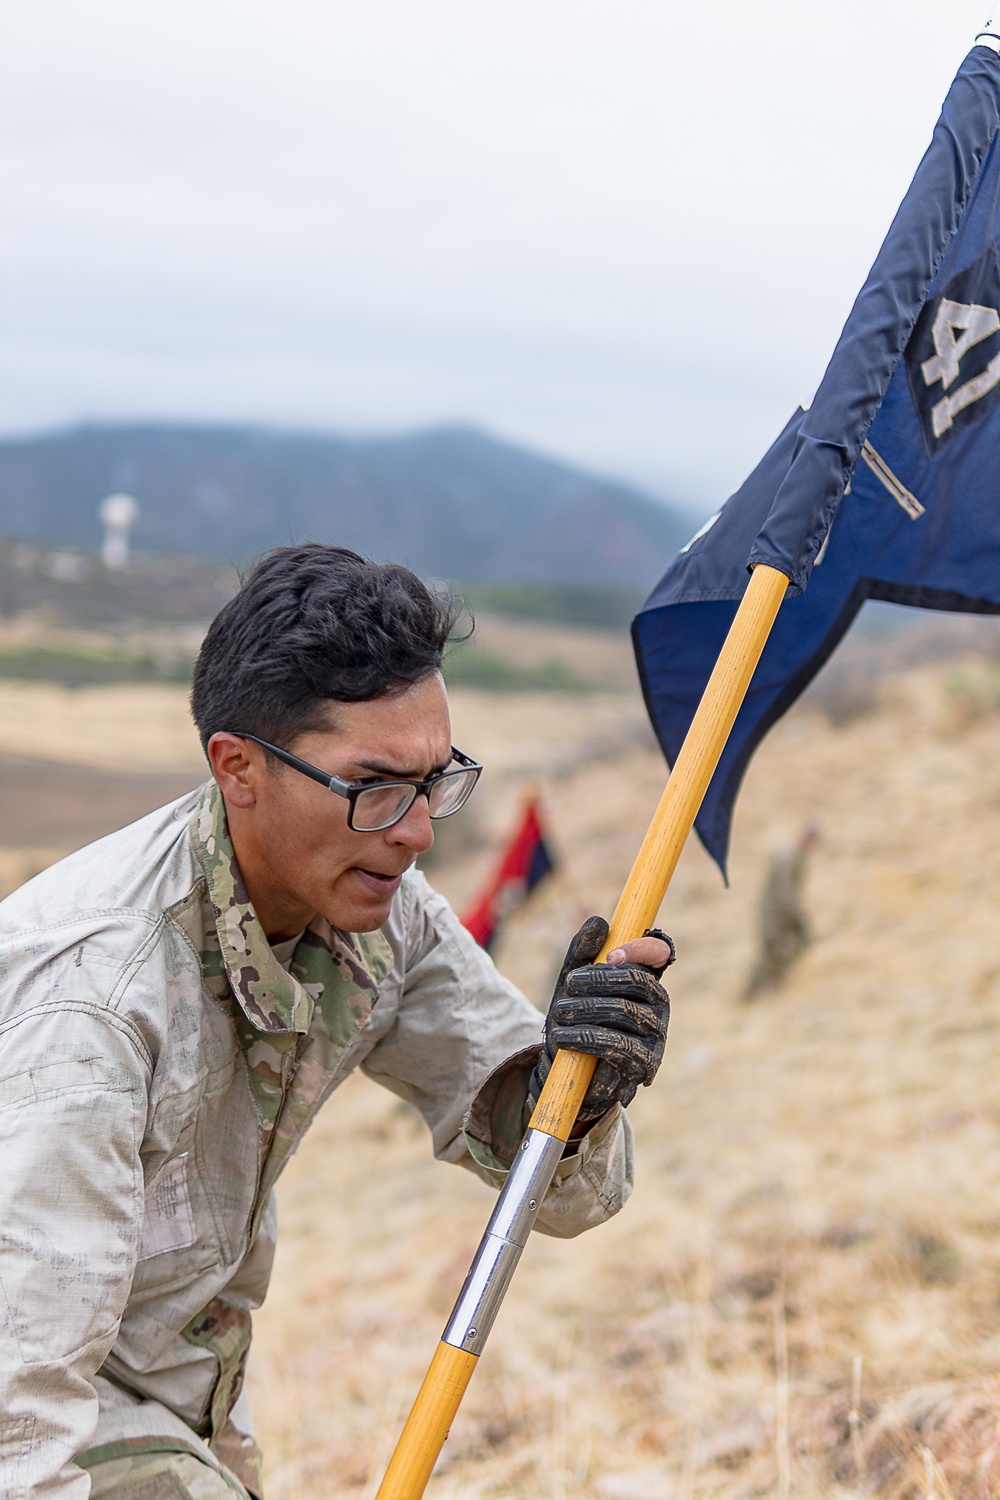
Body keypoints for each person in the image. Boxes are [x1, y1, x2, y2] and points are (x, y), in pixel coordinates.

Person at [0, 544, 672, 1499]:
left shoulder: (384, 910)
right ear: (238, 768)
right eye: (374, 787)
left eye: (438, 779)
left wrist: (577, 1087)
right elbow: (17, 1428)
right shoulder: (91, 1008)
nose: (417, 830)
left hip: (170, 1406)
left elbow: (562, 1199)